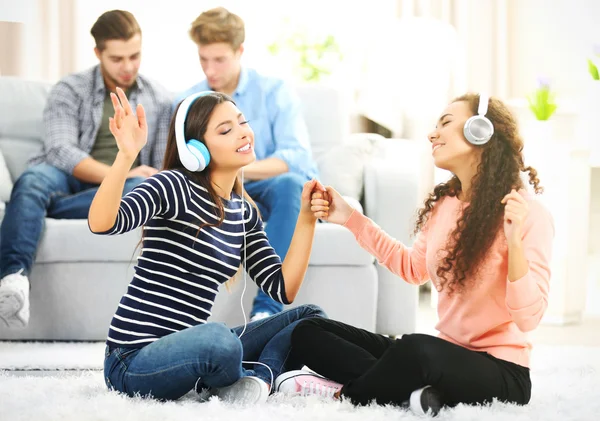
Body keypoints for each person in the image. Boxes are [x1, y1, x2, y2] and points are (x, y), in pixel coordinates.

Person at [275, 93, 554, 416]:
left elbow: (528, 317)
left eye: (446, 123)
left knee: (416, 350)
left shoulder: (528, 214)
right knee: (308, 331)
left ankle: (346, 395)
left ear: (481, 130)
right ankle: (416, 392)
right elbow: (412, 268)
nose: (432, 134)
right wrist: (350, 217)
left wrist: (514, 242)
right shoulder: (445, 205)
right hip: (441, 355)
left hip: (502, 372)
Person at [89, 87, 327, 405]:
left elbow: (282, 289)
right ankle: (240, 374)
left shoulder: (243, 212)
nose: (243, 134)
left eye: (242, 122)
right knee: (218, 339)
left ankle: (258, 379)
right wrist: (125, 157)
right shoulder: (173, 186)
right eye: (226, 130)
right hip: (133, 360)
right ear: (195, 150)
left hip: (194, 350)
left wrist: (307, 219)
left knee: (309, 318)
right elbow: (103, 223)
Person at [0, 10, 172, 329]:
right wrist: (124, 172)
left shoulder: (160, 99)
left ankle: (28, 210)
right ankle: (14, 278)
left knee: (143, 191)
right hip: (66, 177)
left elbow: (161, 167)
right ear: (98, 53)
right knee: (34, 179)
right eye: (117, 58)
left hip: (123, 185)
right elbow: (61, 151)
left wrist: (133, 176)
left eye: (134, 56)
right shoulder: (70, 89)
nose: (128, 67)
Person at [176, 7, 319, 321]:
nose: (210, 70)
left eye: (219, 59)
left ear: (240, 51)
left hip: (264, 187)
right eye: (203, 59)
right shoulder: (189, 101)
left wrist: (237, 167)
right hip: (216, 190)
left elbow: (296, 157)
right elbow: (183, 165)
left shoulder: (273, 92)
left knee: (292, 185)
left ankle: (265, 313)